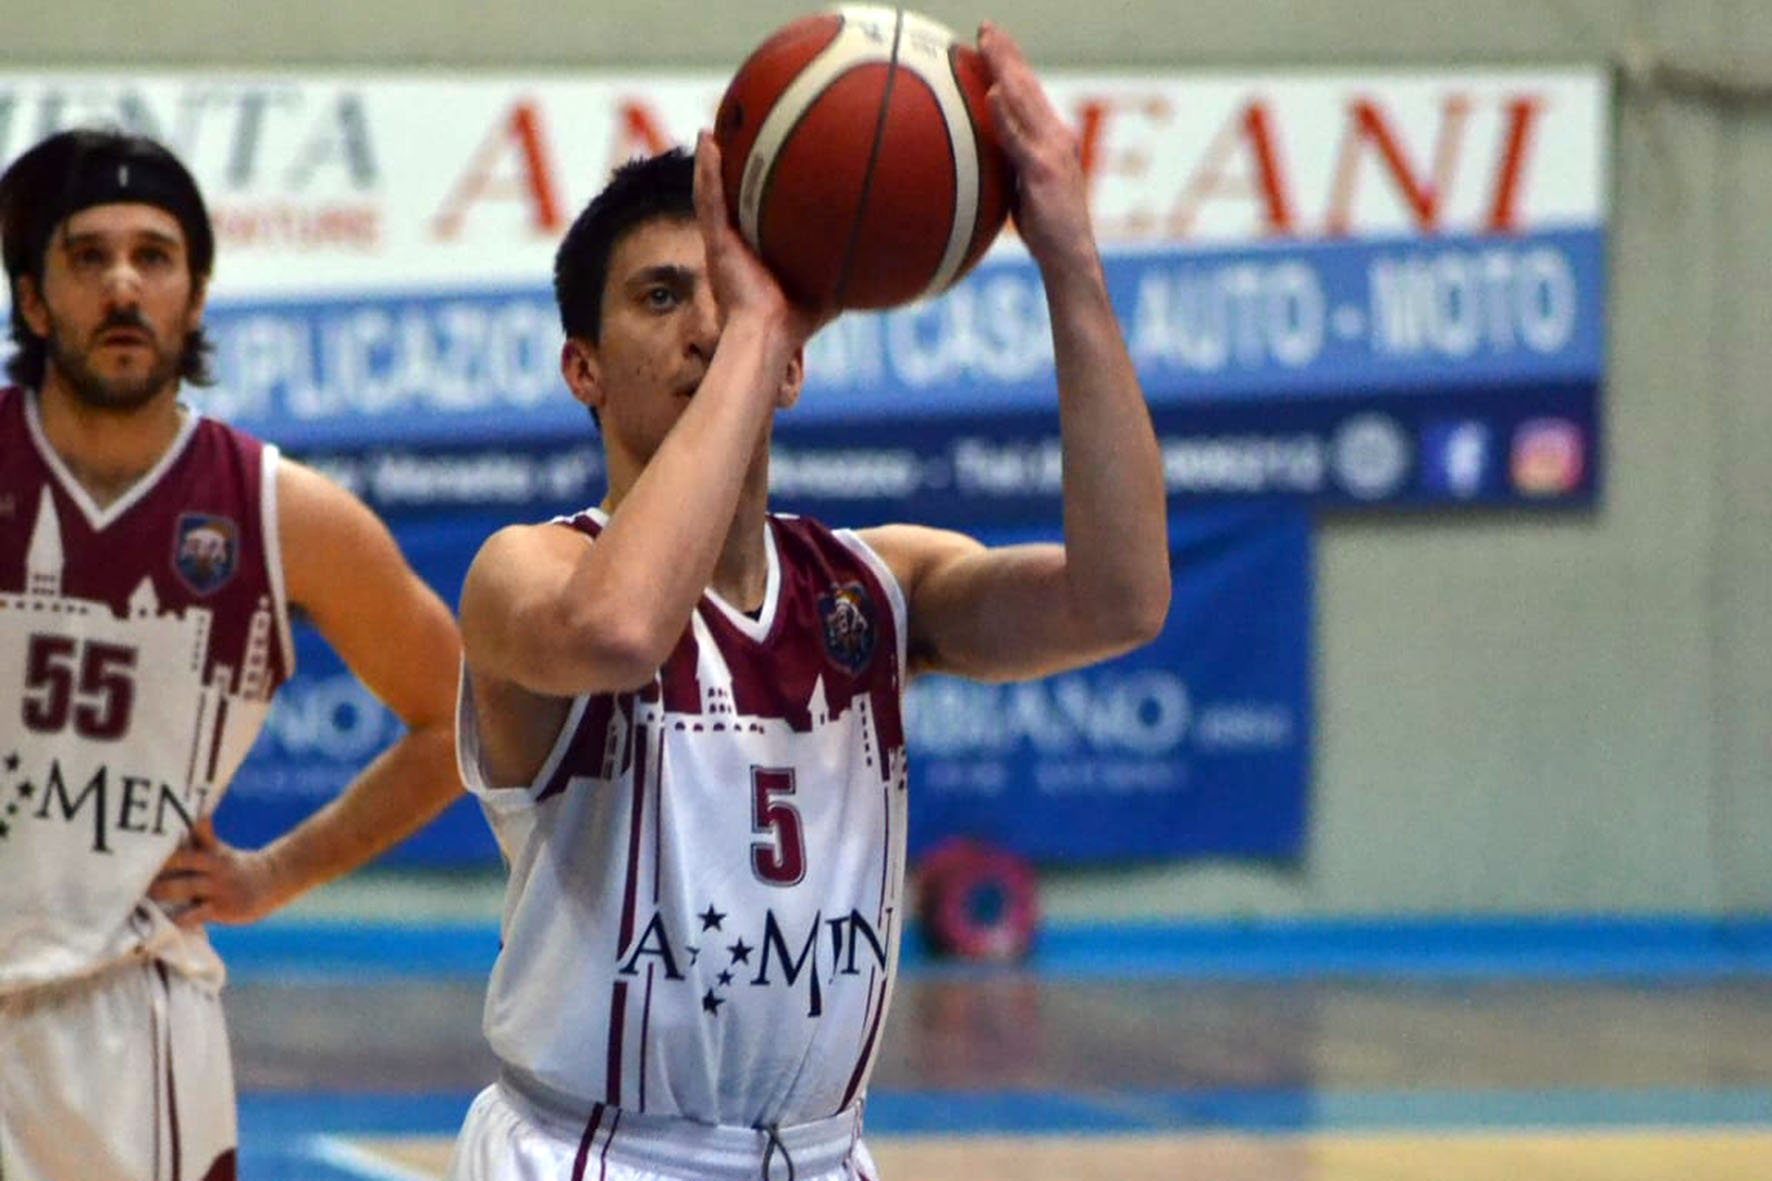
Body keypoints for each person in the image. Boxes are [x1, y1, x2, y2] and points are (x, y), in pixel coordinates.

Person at [447, 23, 1169, 1181]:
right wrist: (759, 317)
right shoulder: (526, 572)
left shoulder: (873, 588)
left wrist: (1070, 262)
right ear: (580, 366)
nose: (706, 324)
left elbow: (1119, 599)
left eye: (728, 299)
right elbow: (625, 629)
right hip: (590, 1149)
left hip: (820, 1155)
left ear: (793, 362)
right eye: (661, 296)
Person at [0, 128, 464, 1180]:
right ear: (35, 301)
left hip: (133, 1021)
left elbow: (458, 718)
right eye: (88, 256)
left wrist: (276, 871)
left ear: (195, 296)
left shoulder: (279, 512)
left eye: (155, 257)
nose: (124, 282)